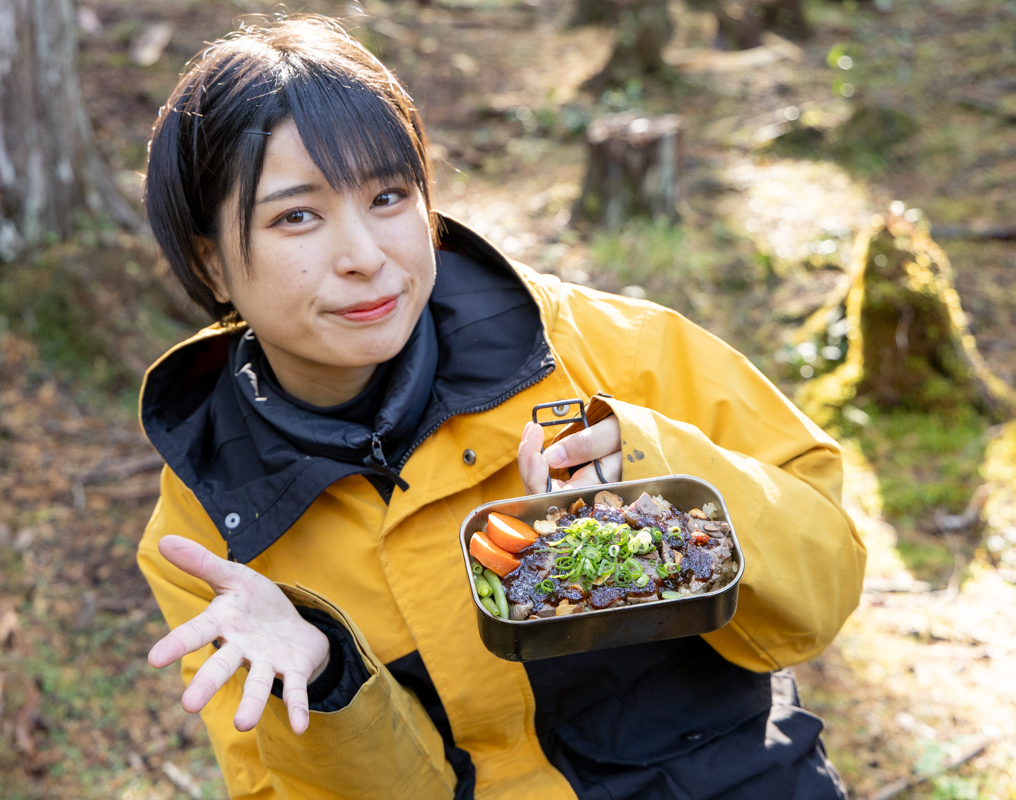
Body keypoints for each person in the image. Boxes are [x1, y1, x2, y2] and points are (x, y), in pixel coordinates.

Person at [136, 15, 866, 800]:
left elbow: (822, 590)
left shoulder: (602, 354)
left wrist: (660, 477)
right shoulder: (206, 534)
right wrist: (321, 681)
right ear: (211, 261)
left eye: (388, 195)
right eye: (297, 216)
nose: (366, 257)